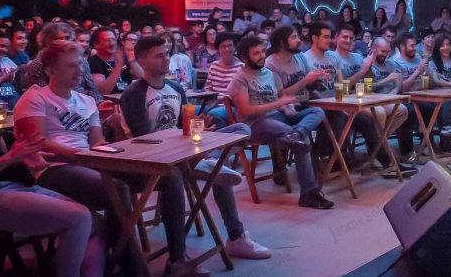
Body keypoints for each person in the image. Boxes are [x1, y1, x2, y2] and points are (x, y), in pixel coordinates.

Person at [0, 39, 105, 277]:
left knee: (94, 221)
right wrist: (8, 160)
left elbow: (5, 156)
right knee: (80, 218)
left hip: (13, 186)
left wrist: (24, 158)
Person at [121, 36, 272, 260]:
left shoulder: (175, 88)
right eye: (159, 55)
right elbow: (144, 142)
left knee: (240, 129)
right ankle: (236, 236)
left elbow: (186, 129)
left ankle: (208, 161)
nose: (167, 60)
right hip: (158, 161)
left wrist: (199, 129)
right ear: (142, 61)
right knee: (217, 171)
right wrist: (188, 141)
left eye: (167, 54)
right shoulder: (134, 94)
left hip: (184, 150)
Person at [14, 41, 142, 275]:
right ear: (51, 70)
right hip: (51, 168)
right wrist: (81, 156)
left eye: (81, 64)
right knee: (117, 189)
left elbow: (97, 143)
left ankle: (121, 258)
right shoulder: (35, 98)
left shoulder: (86, 101)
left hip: (86, 163)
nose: (80, 70)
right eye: (72, 65)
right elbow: (37, 141)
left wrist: (113, 151)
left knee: (150, 176)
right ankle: (130, 266)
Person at [229, 36, 334, 209]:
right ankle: (309, 193)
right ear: (244, 58)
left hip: (277, 117)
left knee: (317, 111)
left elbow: (280, 99)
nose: (262, 56)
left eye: (262, 51)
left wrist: (287, 107)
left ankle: (297, 132)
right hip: (255, 124)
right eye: (256, 54)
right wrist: (278, 104)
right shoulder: (240, 78)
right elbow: (245, 111)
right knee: (302, 141)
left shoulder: (269, 74)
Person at [331, 24, 415, 178]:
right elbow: (341, 88)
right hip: (346, 101)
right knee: (380, 112)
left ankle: (376, 148)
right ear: (335, 38)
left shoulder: (357, 56)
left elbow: (368, 83)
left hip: (365, 97)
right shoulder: (333, 58)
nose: (349, 40)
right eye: (344, 37)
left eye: (351, 37)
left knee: (401, 110)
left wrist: (368, 71)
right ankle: (381, 156)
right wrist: (362, 71)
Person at [203, 32, 244, 129]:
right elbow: (207, 88)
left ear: (235, 48)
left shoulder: (241, 68)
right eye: (223, 46)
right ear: (218, 49)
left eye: (230, 46)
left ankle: (224, 140)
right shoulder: (214, 66)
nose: (227, 49)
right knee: (191, 110)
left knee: (213, 113)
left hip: (231, 106)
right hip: (213, 103)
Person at [88, 28, 142, 95]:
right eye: (107, 40)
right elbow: (102, 91)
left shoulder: (123, 57)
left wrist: (133, 62)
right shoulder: (93, 62)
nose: (112, 43)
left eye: (113, 39)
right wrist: (118, 66)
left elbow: (142, 79)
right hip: (109, 101)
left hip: (127, 97)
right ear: (96, 44)